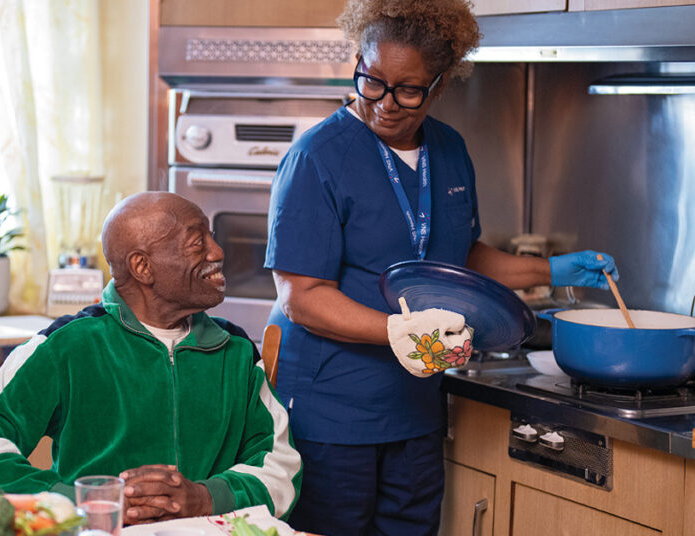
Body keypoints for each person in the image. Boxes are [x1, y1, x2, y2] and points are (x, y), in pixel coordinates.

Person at [264, 0, 619, 534]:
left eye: (409, 90)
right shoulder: (317, 157)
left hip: (416, 407)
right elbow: (302, 295)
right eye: (372, 81)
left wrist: (552, 269)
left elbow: (461, 256)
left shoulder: (449, 149)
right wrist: (396, 330)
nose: (384, 104)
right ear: (357, 63)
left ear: (441, 84)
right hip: (333, 409)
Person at [0, 192, 302, 525]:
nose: (217, 252)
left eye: (211, 236)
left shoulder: (235, 352)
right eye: (196, 242)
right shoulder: (68, 346)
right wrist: (76, 502)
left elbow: (282, 467)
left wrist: (205, 498)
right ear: (143, 267)